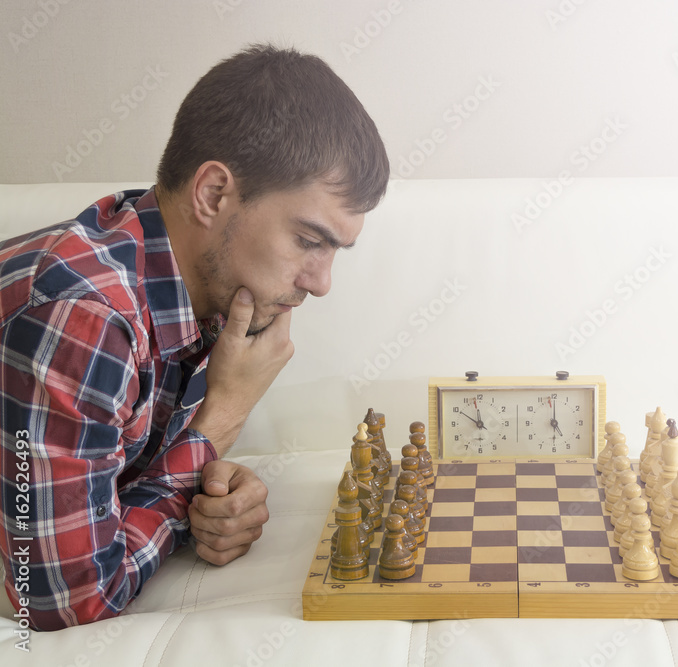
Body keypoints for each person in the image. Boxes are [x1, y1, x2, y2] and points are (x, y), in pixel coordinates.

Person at [0, 44, 389, 631]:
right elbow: (65, 601)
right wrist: (221, 422)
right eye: (310, 240)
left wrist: (204, 488)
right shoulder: (87, 315)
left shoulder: (197, 281)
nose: (322, 282)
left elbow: (122, 467)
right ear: (211, 193)